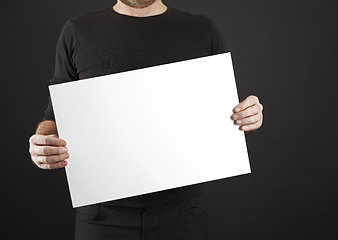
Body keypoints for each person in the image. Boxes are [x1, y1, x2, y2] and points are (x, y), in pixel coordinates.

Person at [29, 0, 263, 239]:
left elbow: (226, 116)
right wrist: (44, 139)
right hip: (102, 216)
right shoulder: (77, 30)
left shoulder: (202, 29)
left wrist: (248, 119)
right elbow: (55, 114)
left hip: (182, 214)